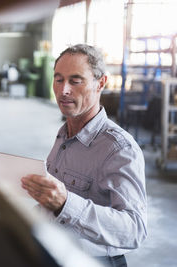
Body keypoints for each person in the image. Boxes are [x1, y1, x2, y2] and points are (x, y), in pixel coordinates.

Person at [21, 44, 147, 267]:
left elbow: (135, 230)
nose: (63, 90)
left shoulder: (119, 149)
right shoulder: (65, 134)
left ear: (101, 83)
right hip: (59, 252)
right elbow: (54, 206)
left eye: (75, 81)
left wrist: (66, 204)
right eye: (58, 80)